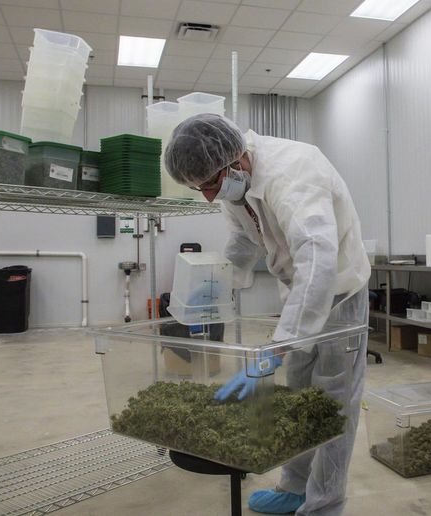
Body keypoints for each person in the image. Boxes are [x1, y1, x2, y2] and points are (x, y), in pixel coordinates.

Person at [164, 113, 371, 516]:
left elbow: (318, 260)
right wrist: (217, 286)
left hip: (340, 292)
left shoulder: (292, 173)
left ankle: (325, 504)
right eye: (198, 188)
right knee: (298, 396)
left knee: (331, 402)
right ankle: (294, 489)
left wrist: (278, 347)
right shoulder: (234, 186)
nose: (207, 196)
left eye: (208, 184)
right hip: (300, 291)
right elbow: (244, 237)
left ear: (236, 161)